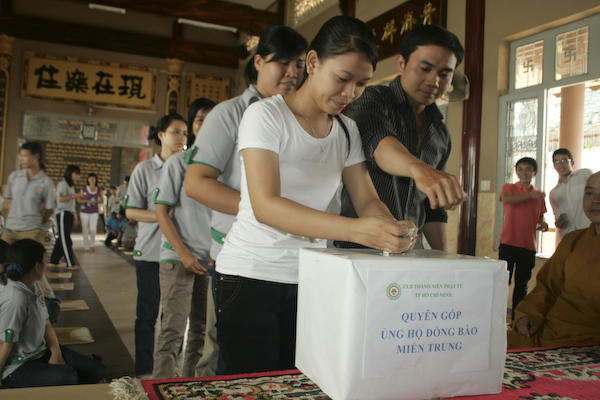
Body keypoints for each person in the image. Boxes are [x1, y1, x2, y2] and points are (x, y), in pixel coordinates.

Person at [214, 16, 416, 375]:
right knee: (250, 385)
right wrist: (356, 230)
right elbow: (266, 206)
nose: (350, 93)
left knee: (301, 381)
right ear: (312, 62)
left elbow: (367, 200)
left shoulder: (347, 130)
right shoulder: (265, 116)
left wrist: (390, 229)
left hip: (311, 276)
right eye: (342, 78)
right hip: (251, 275)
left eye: (361, 84)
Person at [185, 25, 308, 376]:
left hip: (292, 262)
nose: (292, 72)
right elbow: (196, 183)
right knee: (226, 361)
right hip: (241, 263)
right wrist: (263, 208)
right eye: (282, 62)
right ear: (258, 62)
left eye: (299, 64)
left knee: (284, 365)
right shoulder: (229, 114)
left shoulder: (303, 118)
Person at [339, 24, 465, 251]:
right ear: (401, 63)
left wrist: (443, 257)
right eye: (425, 68)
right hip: (360, 248)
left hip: (411, 252)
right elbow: (379, 143)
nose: (434, 81)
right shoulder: (371, 99)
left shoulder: (441, 133)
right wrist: (420, 170)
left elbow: (433, 209)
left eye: (444, 74)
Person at [152, 98, 215, 379]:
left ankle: (190, 387)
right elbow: (161, 212)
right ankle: (161, 387)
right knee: (172, 331)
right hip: (178, 257)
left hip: (208, 261)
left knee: (200, 331)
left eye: (212, 118)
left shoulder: (223, 167)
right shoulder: (178, 163)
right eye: (200, 119)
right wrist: (184, 253)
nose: (207, 124)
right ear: (192, 126)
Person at [124, 113, 187, 377]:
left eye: (185, 133)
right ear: (161, 135)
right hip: (151, 252)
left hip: (180, 252)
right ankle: (144, 369)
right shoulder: (145, 170)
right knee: (148, 314)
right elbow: (131, 211)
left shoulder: (189, 168)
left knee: (176, 317)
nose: (181, 138)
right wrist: (162, 216)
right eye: (175, 132)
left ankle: (171, 367)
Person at [508, 171, 600, 348]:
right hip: (549, 331)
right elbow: (547, 287)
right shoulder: (573, 240)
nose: (596, 200)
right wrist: (528, 315)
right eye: (589, 193)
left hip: (589, 343)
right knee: (483, 349)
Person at [0, 239, 105, 387]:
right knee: (69, 377)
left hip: (40, 351)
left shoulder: (34, 285)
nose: (47, 264)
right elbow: (5, 344)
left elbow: (46, 323)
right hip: (17, 366)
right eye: (45, 261)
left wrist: (56, 353)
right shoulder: (16, 298)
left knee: (96, 370)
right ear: (37, 267)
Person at [499, 157, 548, 321]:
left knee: (522, 286)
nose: (524, 172)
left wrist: (543, 224)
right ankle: (497, 320)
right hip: (508, 244)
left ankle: (516, 321)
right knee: (502, 283)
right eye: (520, 169)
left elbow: (540, 217)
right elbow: (507, 199)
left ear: (535, 172)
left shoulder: (538, 195)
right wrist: (530, 195)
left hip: (528, 247)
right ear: (516, 172)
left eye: (528, 169)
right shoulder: (509, 188)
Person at [1, 142, 56, 244]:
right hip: (9, 230)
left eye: (25, 155)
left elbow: (49, 209)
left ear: (36, 156)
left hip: (32, 231)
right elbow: (7, 202)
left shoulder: (46, 182)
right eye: (21, 155)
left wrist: (37, 223)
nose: (22, 159)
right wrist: (7, 219)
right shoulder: (14, 177)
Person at [549, 148, 593, 243]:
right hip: (569, 237)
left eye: (564, 160)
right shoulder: (554, 193)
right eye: (557, 161)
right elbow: (557, 218)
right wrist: (559, 222)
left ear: (572, 162)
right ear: (554, 166)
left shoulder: (585, 174)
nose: (561, 164)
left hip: (590, 231)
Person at [50, 165, 83, 269]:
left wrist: (74, 214)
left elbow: (71, 202)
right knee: (65, 239)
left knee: (62, 238)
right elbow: (60, 198)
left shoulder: (70, 186)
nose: (78, 177)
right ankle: (70, 263)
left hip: (69, 213)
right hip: (63, 213)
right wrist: (76, 195)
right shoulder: (62, 184)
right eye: (76, 174)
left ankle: (54, 261)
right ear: (71, 173)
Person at [78, 173, 103, 252]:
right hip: (84, 211)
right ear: (88, 180)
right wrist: (86, 201)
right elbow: (79, 200)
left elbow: (102, 200)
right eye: (90, 178)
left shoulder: (98, 189)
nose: (92, 180)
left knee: (93, 229)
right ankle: (86, 246)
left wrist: (95, 201)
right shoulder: (84, 189)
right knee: (85, 228)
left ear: (95, 180)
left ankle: (92, 244)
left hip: (94, 211)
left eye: (93, 179)